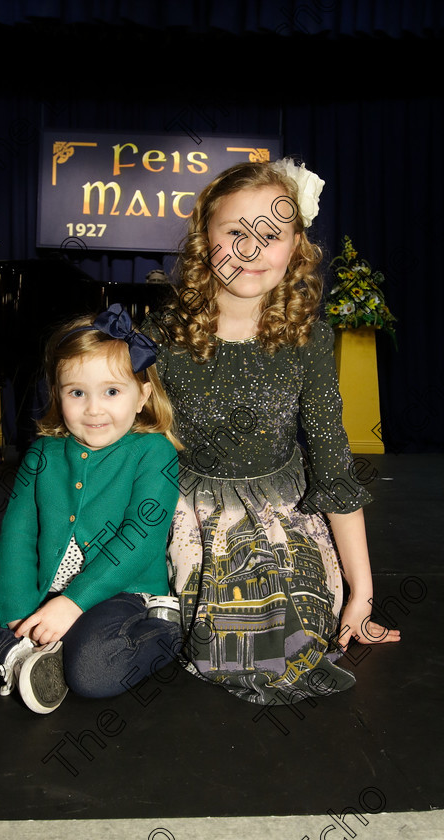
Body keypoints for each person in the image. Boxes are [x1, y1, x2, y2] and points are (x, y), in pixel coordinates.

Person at [142, 158, 400, 706]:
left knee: (293, 632)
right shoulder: (161, 334)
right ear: (202, 238)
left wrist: (363, 594)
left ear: (297, 246)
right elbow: (123, 442)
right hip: (184, 510)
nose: (252, 251)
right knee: (216, 637)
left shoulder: (308, 340)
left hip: (282, 511)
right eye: (235, 232)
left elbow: (334, 469)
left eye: (271, 234)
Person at [0, 304, 182, 714]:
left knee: (92, 674)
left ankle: (162, 631)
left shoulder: (154, 451)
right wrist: (18, 619)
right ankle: (15, 658)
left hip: (116, 593)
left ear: (142, 396)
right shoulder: (43, 453)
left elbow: (138, 539)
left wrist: (72, 605)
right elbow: (18, 537)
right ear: (57, 394)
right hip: (42, 591)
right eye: (77, 393)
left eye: (112, 391)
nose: (93, 409)